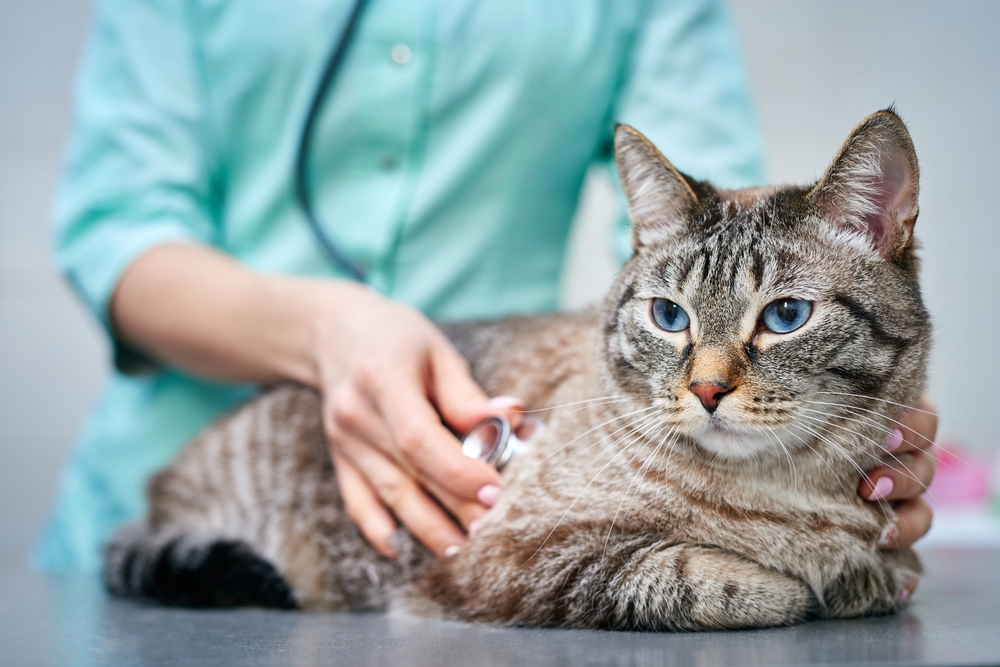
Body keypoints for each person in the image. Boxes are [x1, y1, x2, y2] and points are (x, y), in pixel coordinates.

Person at [33, 0, 937, 572]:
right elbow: (116, 230)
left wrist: (846, 420)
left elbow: (725, 240)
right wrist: (332, 330)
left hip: (497, 455)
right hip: (200, 481)